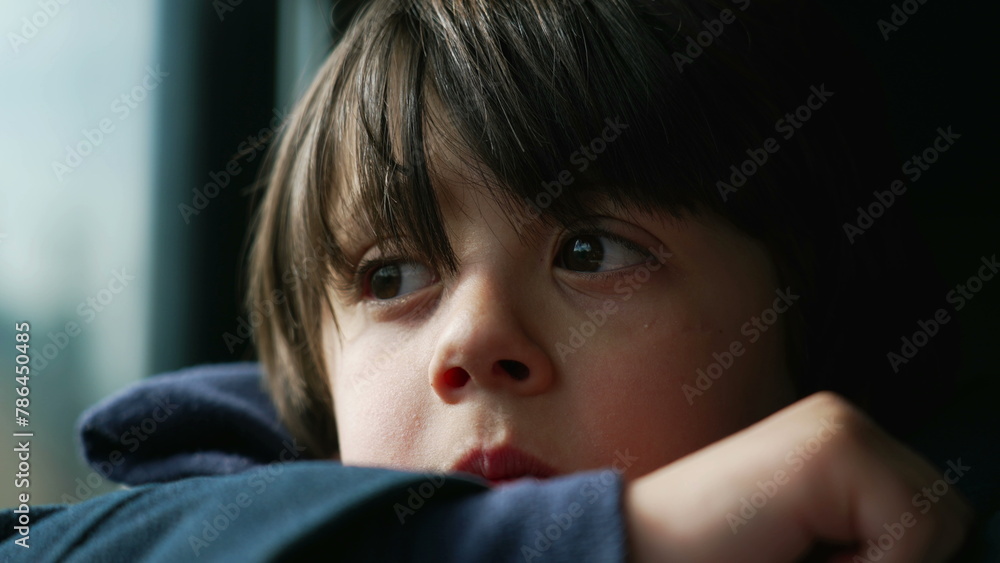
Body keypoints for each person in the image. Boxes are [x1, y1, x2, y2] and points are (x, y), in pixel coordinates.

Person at [3, 0, 991, 560]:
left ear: (808, 321)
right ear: (313, 378)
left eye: (591, 252)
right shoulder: (214, 511)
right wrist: (624, 537)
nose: (470, 340)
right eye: (391, 273)